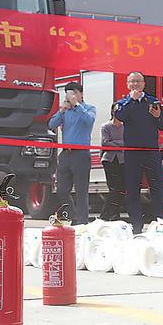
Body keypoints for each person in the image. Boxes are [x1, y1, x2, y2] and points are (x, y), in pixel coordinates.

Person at [113, 72, 163, 234]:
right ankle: (136, 225)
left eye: (138, 81)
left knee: (157, 187)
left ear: (144, 84)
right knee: (132, 189)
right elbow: (120, 116)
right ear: (127, 84)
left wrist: (158, 116)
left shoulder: (152, 102)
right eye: (132, 81)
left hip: (151, 151)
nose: (135, 84)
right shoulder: (123, 103)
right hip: (132, 152)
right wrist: (132, 100)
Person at [47, 81, 96, 225]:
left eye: (74, 93)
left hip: (81, 154)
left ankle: (82, 222)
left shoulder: (89, 108)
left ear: (81, 94)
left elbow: (89, 121)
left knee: (81, 190)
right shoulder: (65, 111)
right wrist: (62, 110)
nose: (70, 97)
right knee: (61, 190)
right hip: (65, 154)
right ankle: (74, 216)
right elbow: (51, 125)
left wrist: (77, 105)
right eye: (68, 94)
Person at [99, 105, 126, 221]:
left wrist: (115, 143)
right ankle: (104, 216)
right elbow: (105, 142)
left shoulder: (125, 127)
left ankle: (115, 214)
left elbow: (127, 141)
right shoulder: (106, 126)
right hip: (110, 160)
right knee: (114, 188)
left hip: (122, 160)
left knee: (122, 188)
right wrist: (120, 145)